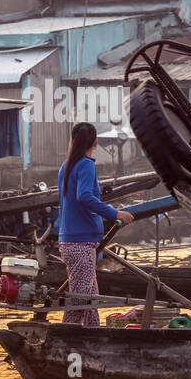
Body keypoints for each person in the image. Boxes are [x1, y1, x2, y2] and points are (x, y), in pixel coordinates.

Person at [56, 122, 134, 327]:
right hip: (80, 244)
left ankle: (95, 333)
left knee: (90, 300)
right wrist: (114, 213)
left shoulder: (66, 166)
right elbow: (84, 197)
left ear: (72, 141)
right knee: (80, 300)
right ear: (96, 142)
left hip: (71, 241)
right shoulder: (86, 164)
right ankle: (65, 337)